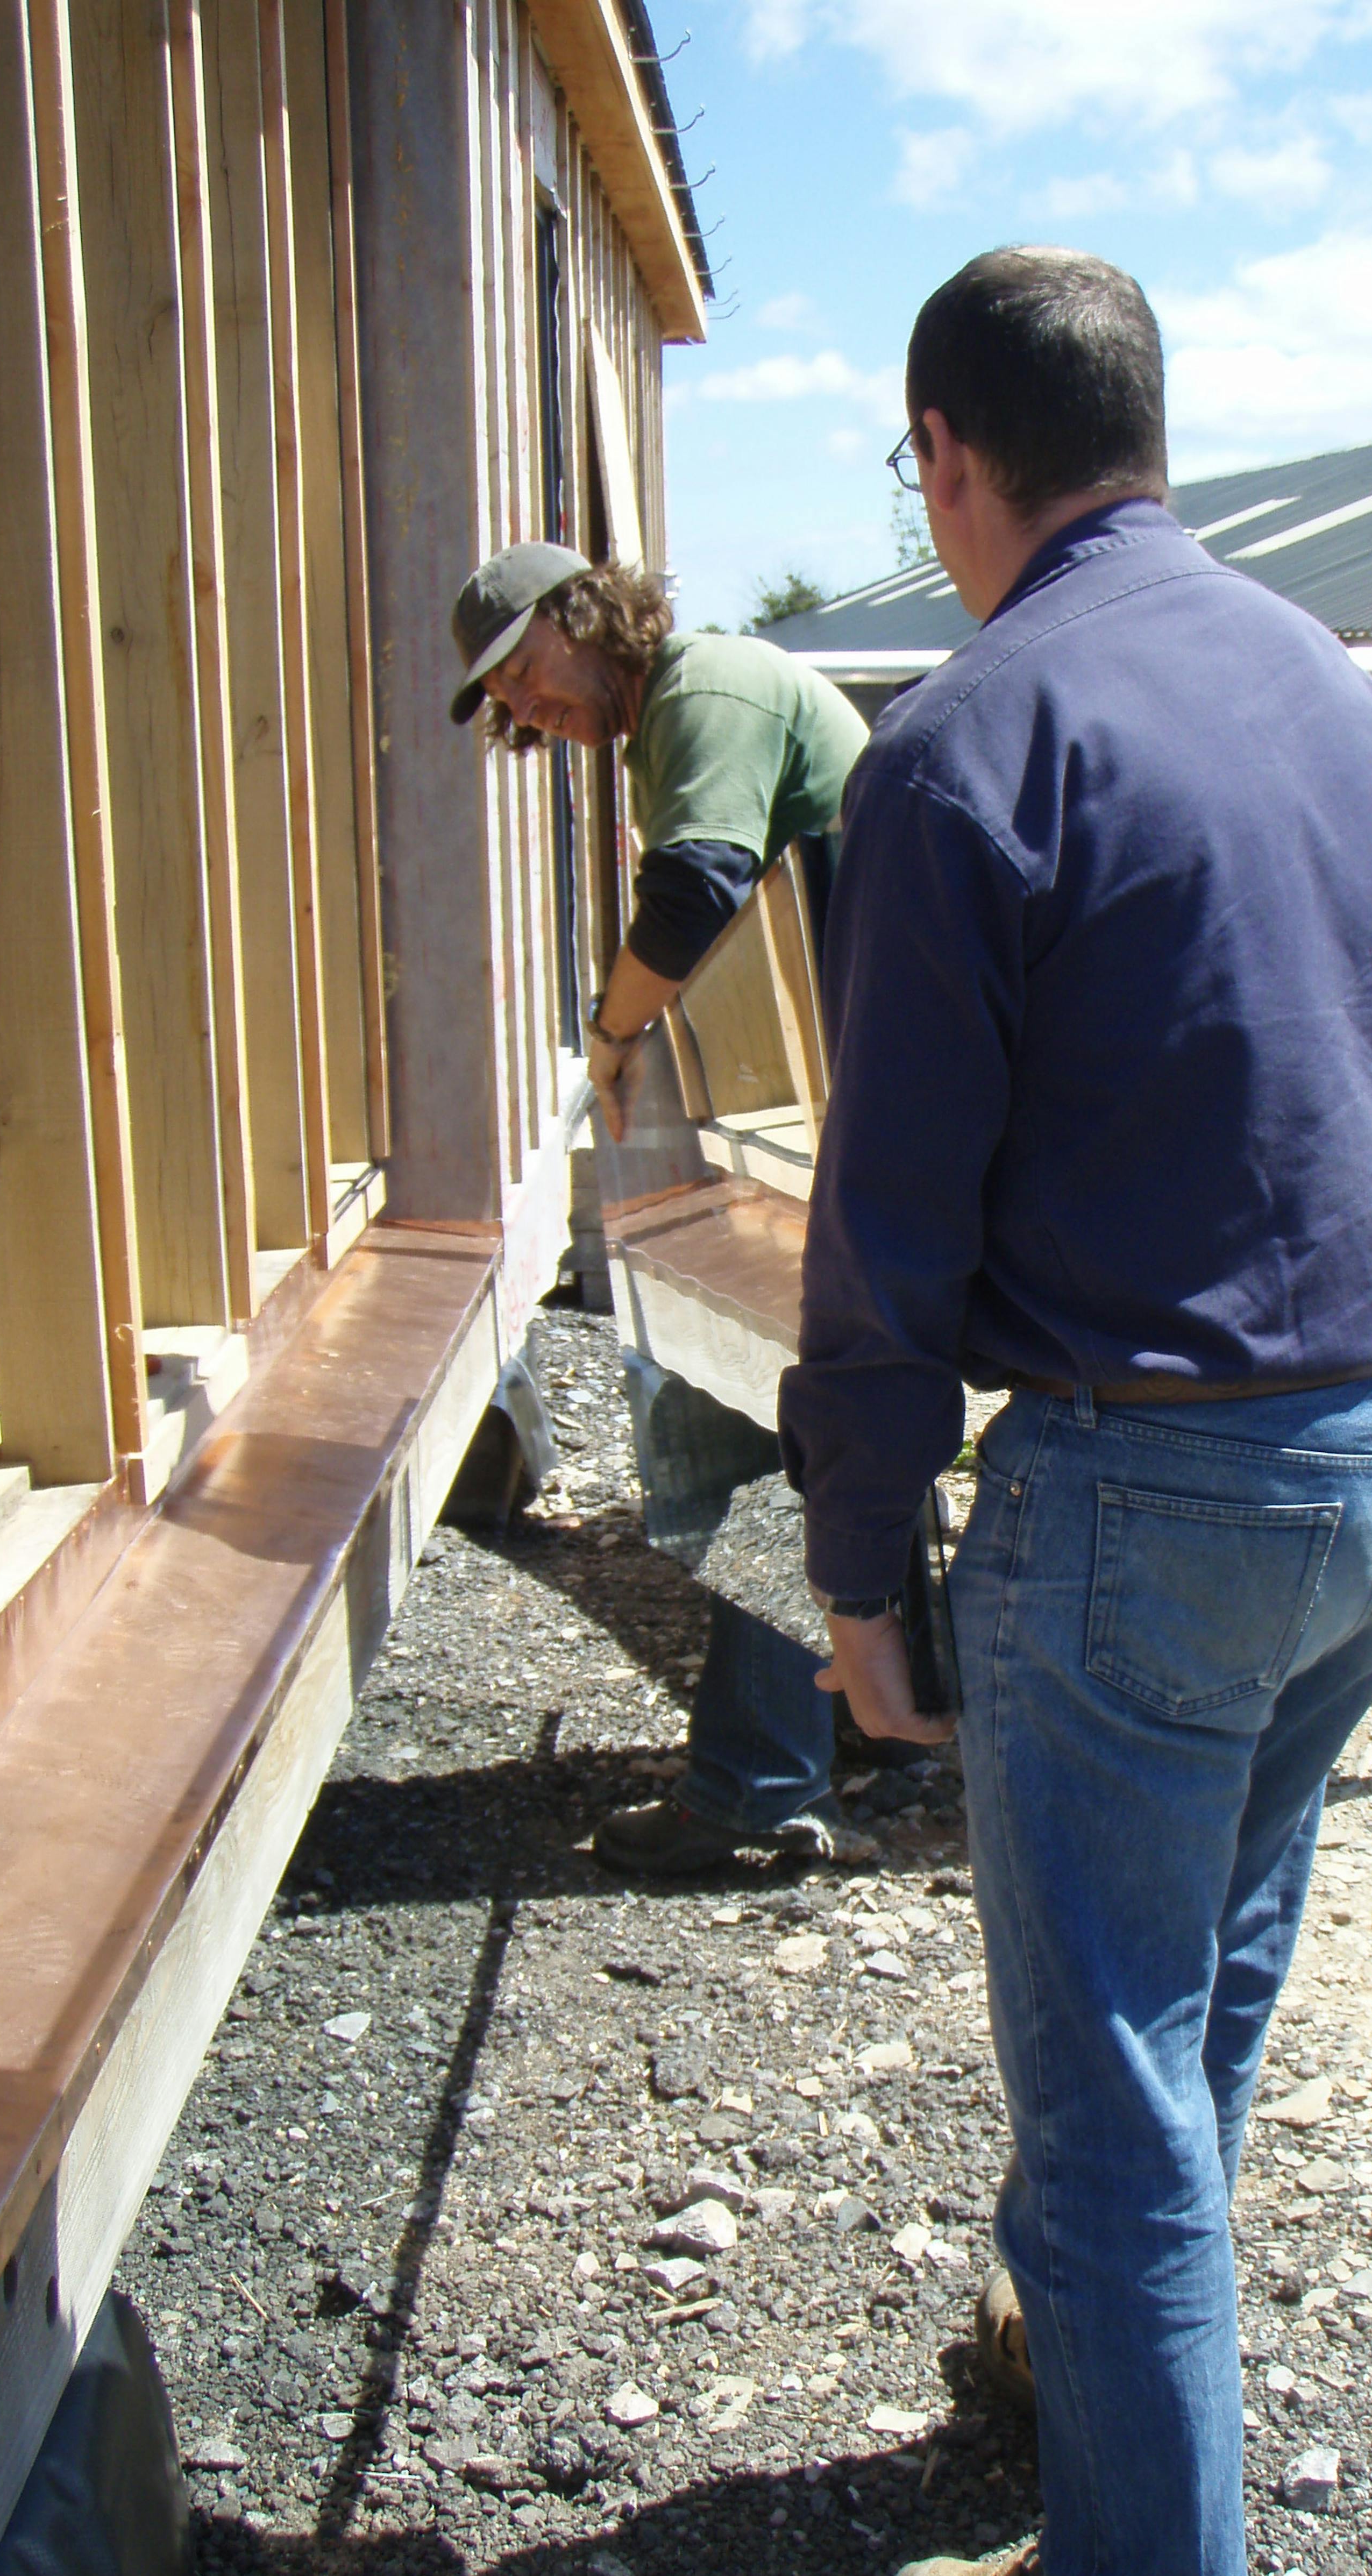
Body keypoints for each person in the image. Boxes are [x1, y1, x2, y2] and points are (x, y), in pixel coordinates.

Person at [776, 249, 1372, 2576]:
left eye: (910, 475)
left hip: (1158, 1489)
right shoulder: (1324, 680)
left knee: (1102, 2043)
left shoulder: (959, 748)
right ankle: (1084, 2309)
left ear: (950, 455)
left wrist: (861, 1563)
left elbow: (886, 1231)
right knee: (1205, 1958)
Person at [448, 543, 870, 1879]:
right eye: (505, 696)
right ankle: (868, 1712)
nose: (527, 704)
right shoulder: (670, 716)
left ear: (586, 616)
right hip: (827, 1099)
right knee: (758, 1410)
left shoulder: (707, 689)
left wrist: (612, 1034)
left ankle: (759, 1789)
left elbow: (695, 888)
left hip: (846, 1107)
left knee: (733, 1413)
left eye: (527, 667)